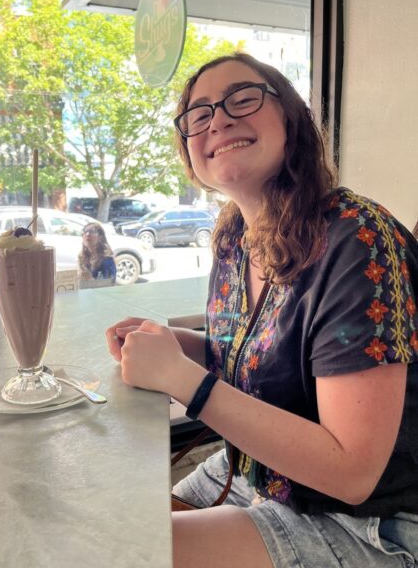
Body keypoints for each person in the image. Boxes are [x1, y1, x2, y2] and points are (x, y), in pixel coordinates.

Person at [106, 52, 418, 568]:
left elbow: (352, 473)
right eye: (198, 115)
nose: (219, 119)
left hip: (367, 523)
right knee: (114, 518)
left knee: (128, 553)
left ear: (290, 118)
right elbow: (262, 362)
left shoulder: (357, 238)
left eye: (243, 98)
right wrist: (180, 348)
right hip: (262, 477)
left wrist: (187, 382)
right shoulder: (234, 239)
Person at [78, 222, 117, 287]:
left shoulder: (107, 260)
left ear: (100, 237)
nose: (87, 234)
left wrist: (89, 279)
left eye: (92, 231)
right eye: (85, 231)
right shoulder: (82, 256)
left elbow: (110, 286)